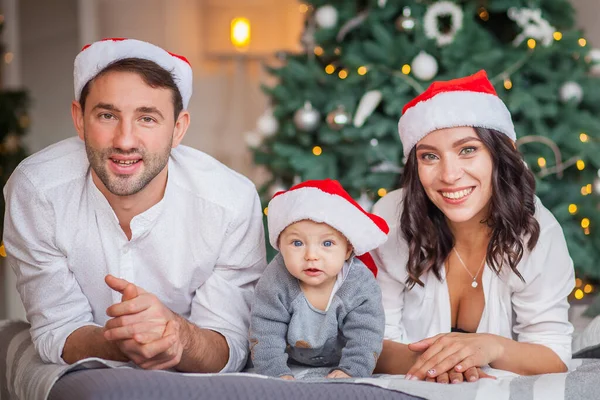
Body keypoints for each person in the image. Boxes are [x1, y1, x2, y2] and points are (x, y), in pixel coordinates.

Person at [2, 38, 267, 373]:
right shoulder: (37, 191)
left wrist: (179, 337)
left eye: (147, 118)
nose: (125, 140)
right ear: (80, 119)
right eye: (107, 115)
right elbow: (57, 328)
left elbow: (229, 343)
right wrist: (121, 341)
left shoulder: (231, 203)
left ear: (178, 128)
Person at [371, 70, 575, 383]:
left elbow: (554, 354)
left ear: (499, 153)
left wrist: (490, 347)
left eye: (468, 149)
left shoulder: (537, 230)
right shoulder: (391, 219)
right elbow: (370, 344)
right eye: (429, 156)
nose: (449, 175)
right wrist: (446, 362)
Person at [249, 179, 388, 379]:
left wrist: (352, 370)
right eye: (297, 243)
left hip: (341, 361)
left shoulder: (359, 284)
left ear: (348, 249)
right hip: (287, 361)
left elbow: (366, 333)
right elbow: (265, 330)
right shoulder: (275, 280)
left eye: (327, 243)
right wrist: (275, 373)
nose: (311, 255)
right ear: (280, 245)